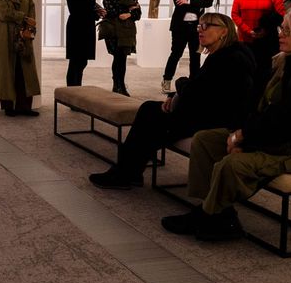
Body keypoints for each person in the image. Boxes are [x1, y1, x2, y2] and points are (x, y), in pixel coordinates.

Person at [161, 6, 291, 253]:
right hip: (272, 139)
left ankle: (213, 215)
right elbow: (258, 106)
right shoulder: (286, 62)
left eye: (288, 30)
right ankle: (212, 207)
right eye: (281, 28)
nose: (280, 34)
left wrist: (244, 138)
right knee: (206, 140)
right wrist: (240, 132)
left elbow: (288, 123)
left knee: (231, 165)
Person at [88, 14, 255, 190]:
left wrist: (180, 84)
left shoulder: (228, 58)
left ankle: (126, 173)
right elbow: (201, 89)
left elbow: (196, 92)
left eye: (206, 26)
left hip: (214, 120)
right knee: (149, 110)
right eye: (199, 26)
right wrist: (176, 95)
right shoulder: (228, 53)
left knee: (151, 116)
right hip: (205, 112)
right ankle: (129, 172)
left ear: (224, 31)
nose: (200, 30)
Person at [231, 0, 285, 97]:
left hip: (267, 41)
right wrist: (247, 30)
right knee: (245, 73)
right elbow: (235, 14)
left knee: (264, 75)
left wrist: (265, 30)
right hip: (245, 40)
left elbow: (281, 14)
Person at [162, 0, 213, 93]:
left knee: (195, 55)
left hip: (197, 26)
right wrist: (198, 3)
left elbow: (209, 3)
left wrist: (189, 1)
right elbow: (178, 3)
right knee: (176, 54)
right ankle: (166, 80)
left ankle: (193, 83)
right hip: (180, 26)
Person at [64, 0, 106, 86]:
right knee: (75, 62)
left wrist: (98, 10)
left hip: (86, 27)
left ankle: (77, 91)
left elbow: (89, 4)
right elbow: (76, 7)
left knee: (82, 62)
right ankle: (72, 93)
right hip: (77, 27)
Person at [100, 0, 142, 95]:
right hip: (112, 28)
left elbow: (138, 13)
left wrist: (129, 14)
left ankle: (120, 85)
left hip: (126, 30)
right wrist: (128, 8)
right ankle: (117, 84)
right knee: (117, 56)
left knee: (122, 58)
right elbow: (110, 9)